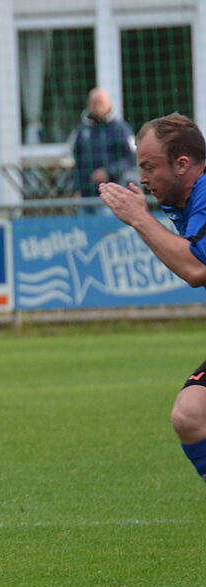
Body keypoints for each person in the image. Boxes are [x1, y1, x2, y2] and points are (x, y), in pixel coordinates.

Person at [100, 113, 206, 484]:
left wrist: (139, 220)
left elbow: (197, 269)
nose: (143, 178)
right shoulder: (185, 202)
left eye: (149, 167)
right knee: (191, 413)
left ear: (182, 164)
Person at [70, 88, 136, 213]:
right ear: (88, 104)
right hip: (86, 196)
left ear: (108, 104)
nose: (96, 106)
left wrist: (108, 171)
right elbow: (77, 161)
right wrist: (76, 188)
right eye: (93, 102)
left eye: (100, 102)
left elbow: (131, 159)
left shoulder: (120, 129)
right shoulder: (82, 130)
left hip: (112, 194)